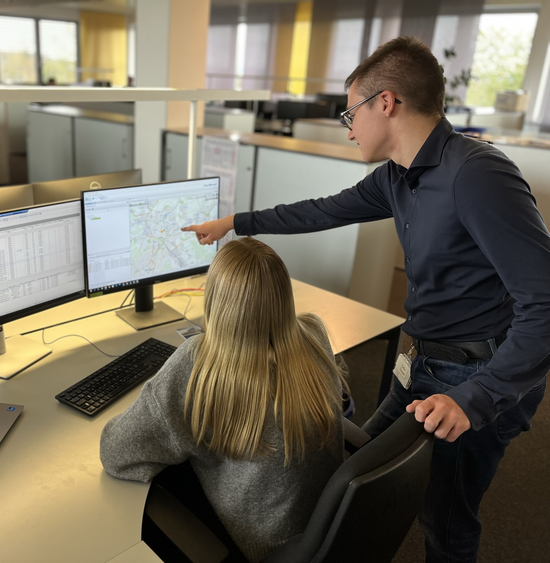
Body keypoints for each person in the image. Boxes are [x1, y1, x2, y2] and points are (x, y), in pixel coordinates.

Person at [182, 36, 550, 563]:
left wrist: (476, 398)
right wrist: (236, 223)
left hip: (477, 376)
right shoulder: (398, 176)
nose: (349, 128)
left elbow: (545, 302)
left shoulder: (477, 174)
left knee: (445, 520)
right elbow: (322, 210)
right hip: (425, 361)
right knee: (351, 473)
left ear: (387, 103)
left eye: (350, 113)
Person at [100, 237, 346, 562]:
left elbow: (116, 453)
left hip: (261, 545)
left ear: (216, 300)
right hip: (327, 526)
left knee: (167, 468)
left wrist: (157, 397)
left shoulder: (197, 365)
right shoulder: (314, 334)